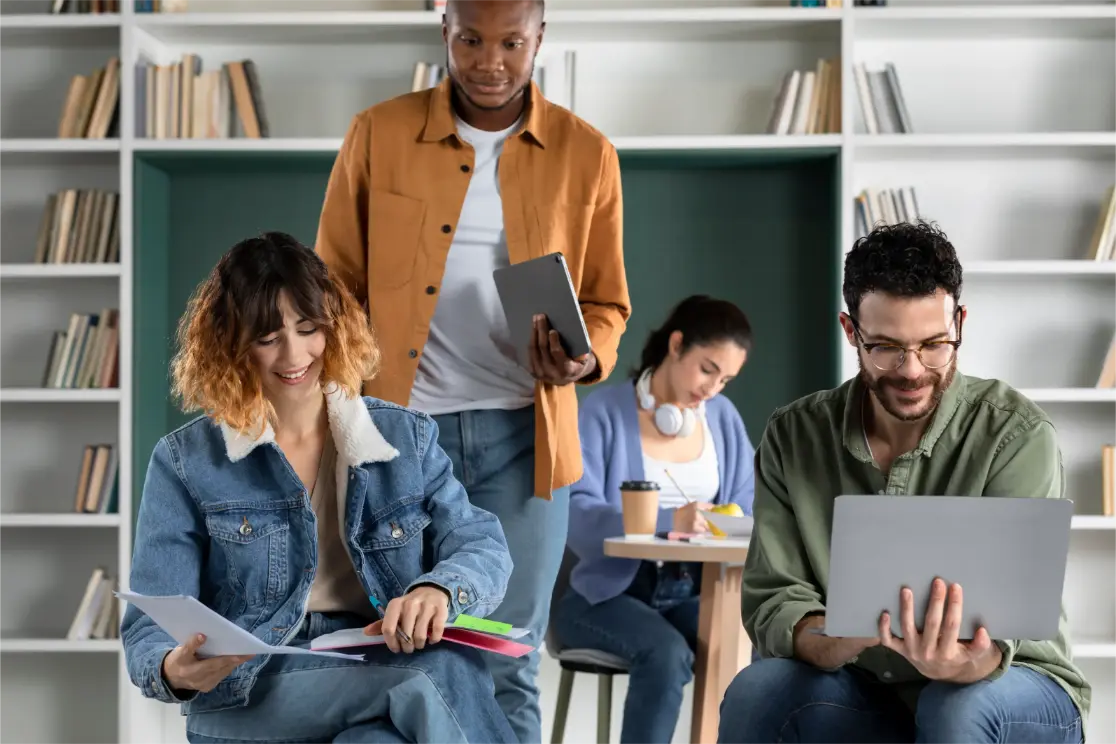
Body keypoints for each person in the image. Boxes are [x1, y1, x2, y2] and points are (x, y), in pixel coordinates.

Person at [313, 0, 631, 740]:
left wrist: (586, 357)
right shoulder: (377, 133)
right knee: (385, 647)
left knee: (507, 653)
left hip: (527, 441)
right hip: (393, 439)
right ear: (444, 33)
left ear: (540, 39)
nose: (490, 62)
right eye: (471, 40)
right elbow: (331, 284)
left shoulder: (588, 153)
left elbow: (607, 303)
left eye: (512, 43)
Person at [119, 232, 519, 744]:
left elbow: (481, 543)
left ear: (334, 324)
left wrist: (436, 589)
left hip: (374, 666)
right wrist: (174, 669)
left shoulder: (405, 437)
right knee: (440, 670)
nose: (294, 354)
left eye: (308, 329)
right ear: (230, 343)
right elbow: (149, 625)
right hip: (253, 694)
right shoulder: (185, 460)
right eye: (268, 337)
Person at [717, 221, 1090, 744]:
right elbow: (775, 598)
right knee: (759, 690)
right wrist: (834, 638)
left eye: (935, 344)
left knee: (953, 707)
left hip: (1012, 686)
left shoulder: (1016, 433)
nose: (912, 370)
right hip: (864, 691)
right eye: (886, 347)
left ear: (959, 322)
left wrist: (962, 661)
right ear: (851, 332)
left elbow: (1014, 625)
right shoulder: (793, 435)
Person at [553, 295, 756, 744]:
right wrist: (669, 519)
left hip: (695, 590)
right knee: (665, 655)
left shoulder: (722, 419)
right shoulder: (603, 412)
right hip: (605, 593)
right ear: (677, 344)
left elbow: (749, 509)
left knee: (746, 652)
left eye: (725, 379)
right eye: (707, 369)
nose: (712, 389)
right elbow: (577, 514)